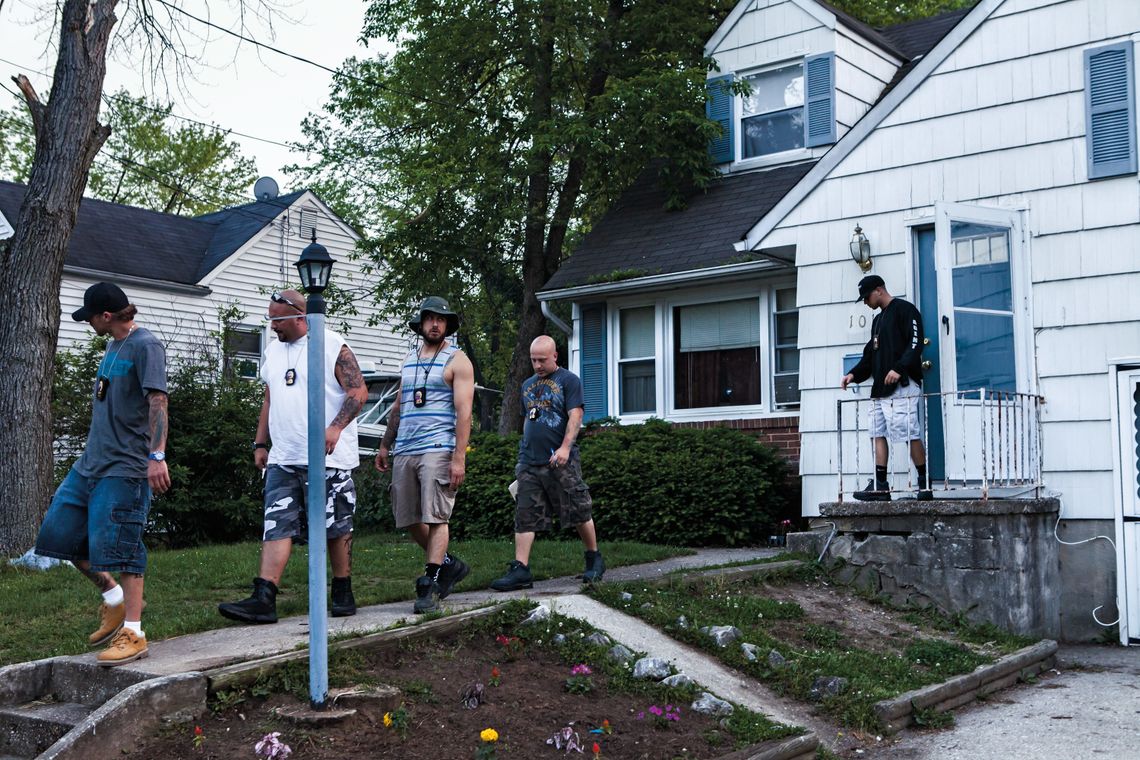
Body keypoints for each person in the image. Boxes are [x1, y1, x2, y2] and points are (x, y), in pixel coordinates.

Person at [35, 282, 170, 666]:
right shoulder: (113, 345)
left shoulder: (147, 346)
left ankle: (134, 631)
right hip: (90, 464)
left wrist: (156, 455)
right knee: (57, 536)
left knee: (124, 549)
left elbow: (158, 400)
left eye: (90, 316)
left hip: (124, 467)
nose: (88, 322)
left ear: (106, 316)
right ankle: (112, 599)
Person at [218, 289, 369, 624]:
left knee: (336, 526)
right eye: (270, 319)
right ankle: (264, 597)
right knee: (277, 524)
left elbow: (358, 392)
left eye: (278, 320)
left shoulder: (331, 345)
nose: (272, 327)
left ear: (301, 317)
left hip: (328, 458)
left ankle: (342, 589)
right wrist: (260, 443)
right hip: (284, 457)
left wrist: (335, 428)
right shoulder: (273, 352)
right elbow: (270, 399)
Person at [375, 296, 475, 614]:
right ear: (421, 323)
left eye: (441, 319)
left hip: (438, 448)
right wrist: (385, 444)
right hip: (405, 448)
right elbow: (399, 405)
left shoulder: (458, 360)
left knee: (436, 516)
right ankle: (448, 565)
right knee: (407, 518)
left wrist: (458, 457)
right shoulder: (409, 359)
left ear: (447, 326)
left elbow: (464, 413)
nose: (435, 324)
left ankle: (429, 583)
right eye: (430, 318)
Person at [491, 335, 604, 592]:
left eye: (542, 359)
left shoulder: (569, 381)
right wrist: (524, 451)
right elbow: (528, 420)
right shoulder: (527, 384)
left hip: (560, 459)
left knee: (578, 508)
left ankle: (593, 558)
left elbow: (576, 415)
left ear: (555, 356)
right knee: (525, 514)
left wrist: (565, 447)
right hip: (530, 462)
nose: (538, 365)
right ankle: (521, 569)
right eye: (533, 360)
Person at [841, 274, 932, 501]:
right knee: (876, 432)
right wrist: (853, 374)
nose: (865, 302)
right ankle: (881, 486)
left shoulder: (905, 310)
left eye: (866, 296)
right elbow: (870, 356)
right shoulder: (877, 321)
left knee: (909, 431)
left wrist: (899, 368)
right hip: (879, 391)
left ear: (879, 290)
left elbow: (916, 342)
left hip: (902, 386)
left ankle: (924, 484)